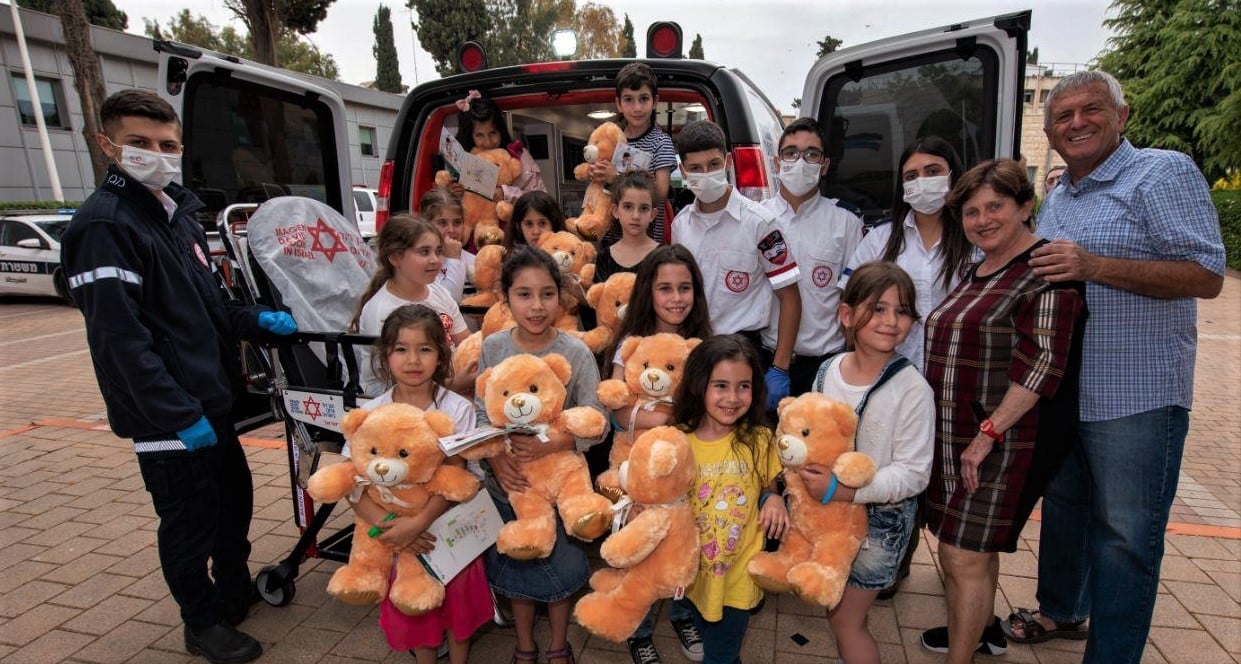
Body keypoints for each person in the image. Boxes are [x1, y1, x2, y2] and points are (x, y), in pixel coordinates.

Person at [61, 89, 299, 664]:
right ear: (107, 145)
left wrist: (257, 321)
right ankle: (200, 622)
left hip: (211, 401)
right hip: (169, 415)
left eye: (167, 145)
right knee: (189, 521)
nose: (156, 155)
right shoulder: (105, 226)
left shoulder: (176, 217)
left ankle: (232, 589)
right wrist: (178, 414)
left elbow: (211, 308)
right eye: (138, 143)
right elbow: (121, 342)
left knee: (233, 501)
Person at [1004, 70, 1226, 664]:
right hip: (1067, 391)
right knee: (1068, 510)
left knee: (1126, 535)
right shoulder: (1062, 198)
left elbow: (1205, 276)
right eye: (1063, 117)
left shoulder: (1162, 172)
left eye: (1090, 110)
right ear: (1048, 134)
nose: (1076, 123)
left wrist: (1095, 265)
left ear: (1121, 115)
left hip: (1136, 396)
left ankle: (1113, 654)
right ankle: (1062, 609)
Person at [917, 159, 1087, 663]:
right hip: (955, 436)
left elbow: (1043, 364)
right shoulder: (980, 267)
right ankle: (978, 636)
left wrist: (988, 433)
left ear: (1025, 207)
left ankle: (960, 656)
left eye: (995, 207)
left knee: (960, 553)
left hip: (999, 440)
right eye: (971, 211)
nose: (983, 219)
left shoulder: (1045, 270)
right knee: (971, 551)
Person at [796, 261, 934, 664]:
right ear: (846, 314)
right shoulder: (827, 371)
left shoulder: (912, 390)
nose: (891, 321)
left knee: (846, 621)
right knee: (836, 610)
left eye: (903, 310)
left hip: (879, 525)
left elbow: (914, 473)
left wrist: (844, 490)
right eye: (878, 308)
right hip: (830, 517)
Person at [475, 246, 607, 664]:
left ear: (561, 297)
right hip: (508, 483)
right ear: (506, 297)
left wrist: (559, 442)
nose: (536, 305)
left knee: (560, 567)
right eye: (524, 294)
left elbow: (596, 418)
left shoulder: (576, 352)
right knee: (519, 564)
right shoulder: (493, 347)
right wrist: (496, 459)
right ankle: (526, 643)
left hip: (558, 483)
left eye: (547, 294)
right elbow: (482, 413)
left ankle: (558, 644)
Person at [341, 305, 490, 664]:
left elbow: (459, 476)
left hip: (447, 529)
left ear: (441, 354)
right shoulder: (372, 411)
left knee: (458, 611)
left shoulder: (456, 409)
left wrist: (419, 522)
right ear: (385, 356)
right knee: (415, 608)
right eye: (401, 349)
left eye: (424, 349)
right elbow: (351, 480)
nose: (413, 360)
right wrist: (389, 525)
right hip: (394, 534)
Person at [608, 244, 713, 664]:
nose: (675, 298)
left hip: (688, 469)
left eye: (684, 288)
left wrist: (667, 420)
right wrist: (672, 419)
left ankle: (684, 613)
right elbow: (617, 410)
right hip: (636, 469)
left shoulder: (702, 345)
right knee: (642, 548)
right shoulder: (630, 345)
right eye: (665, 287)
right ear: (647, 292)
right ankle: (640, 627)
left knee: (688, 545)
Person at [669, 120, 802, 413]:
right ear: (683, 171)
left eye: (713, 164)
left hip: (745, 350)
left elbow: (790, 296)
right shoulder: (680, 226)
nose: (706, 174)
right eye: (696, 168)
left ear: (728, 161)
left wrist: (779, 368)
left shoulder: (760, 223)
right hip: (697, 348)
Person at [671, 334, 787, 664]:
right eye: (720, 385)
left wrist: (773, 501)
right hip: (693, 576)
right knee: (717, 646)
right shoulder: (678, 440)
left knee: (720, 652)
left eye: (743, 386)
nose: (733, 397)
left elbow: (768, 488)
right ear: (698, 384)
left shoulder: (760, 439)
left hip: (738, 576)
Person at [841, 136, 972, 373]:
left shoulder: (974, 237)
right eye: (911, 176)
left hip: (958, 373)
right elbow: (850, 300)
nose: (922, 182)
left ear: (953, 175)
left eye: (933, 171)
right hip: (890, 374)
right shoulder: (881, 238)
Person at [762, 118, 864, 396]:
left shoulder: (846, 222)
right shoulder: (757, 218)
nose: (800, 161)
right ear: (776, 162)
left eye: (811, 154)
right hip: (765, 361)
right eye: (791, 153)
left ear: (825, 165)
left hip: (823, 366)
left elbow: (855, 300)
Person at [351, 215, 471, 396]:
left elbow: (467, 343)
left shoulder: (438, 292)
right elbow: (402, 381)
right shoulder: (382, 311)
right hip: (401, 401)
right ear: (395, 258)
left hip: (447, 383)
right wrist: (456, 384)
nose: (435, 260)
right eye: (424, 252)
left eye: (438, 251)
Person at [594, 62, 679, 245]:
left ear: (655, 102)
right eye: (629, 99)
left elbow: (661, 192)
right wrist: (596, 174)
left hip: (645, 244)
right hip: (610, 240)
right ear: (618, 104)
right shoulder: (610, 140)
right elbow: (600, 188)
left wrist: (615, 177)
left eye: (643, 99)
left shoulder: (661, 142)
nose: (637, 108)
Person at [453, 91, 545, 203]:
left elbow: (541, 199)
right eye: (479, 135)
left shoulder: (519, 155)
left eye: (493, 132)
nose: (488, 142)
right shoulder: (460, 161)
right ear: (469, 136)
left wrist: (506, 193)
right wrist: (452, 194)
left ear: (501, 130)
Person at [594, 173, 660, 284]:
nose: (636, 216)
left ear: (652, 215)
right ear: (615, 211)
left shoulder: (662, 256)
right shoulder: (604, 257)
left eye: (643, 208)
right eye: (628, 207)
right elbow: (599, 298)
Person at [421, 187, 474, 302]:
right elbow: (447, 304)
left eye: (457, 222)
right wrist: (453, 260)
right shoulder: (423, 264)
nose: (451, 230)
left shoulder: (475, 261)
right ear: (426, 224)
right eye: (442, 223)